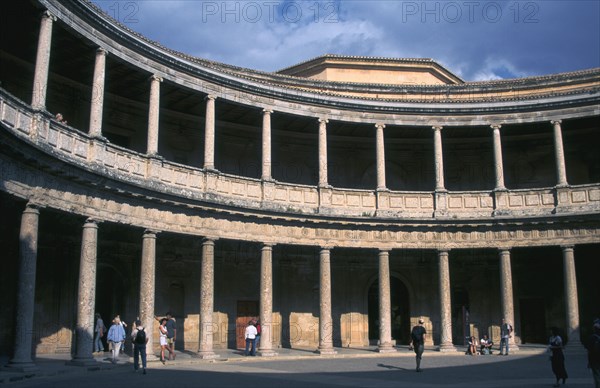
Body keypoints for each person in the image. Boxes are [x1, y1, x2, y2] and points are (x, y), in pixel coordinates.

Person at [584, 319, 600, 388]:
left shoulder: (592, 338)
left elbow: (588, 350)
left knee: (596, 375)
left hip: (594, 360)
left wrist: (589, 362)